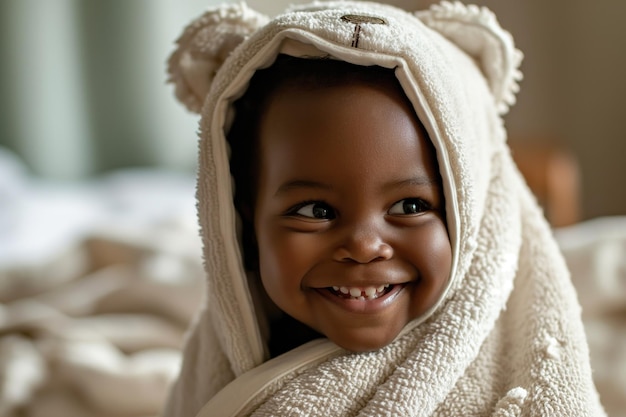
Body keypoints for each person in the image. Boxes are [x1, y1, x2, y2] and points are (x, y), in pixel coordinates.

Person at [164, 2, 606, 416]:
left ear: (472, 220)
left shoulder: (520, 381)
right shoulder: (216, 353)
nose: (363, 246)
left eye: (411, 206)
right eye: (316, 210)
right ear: (243, 223)